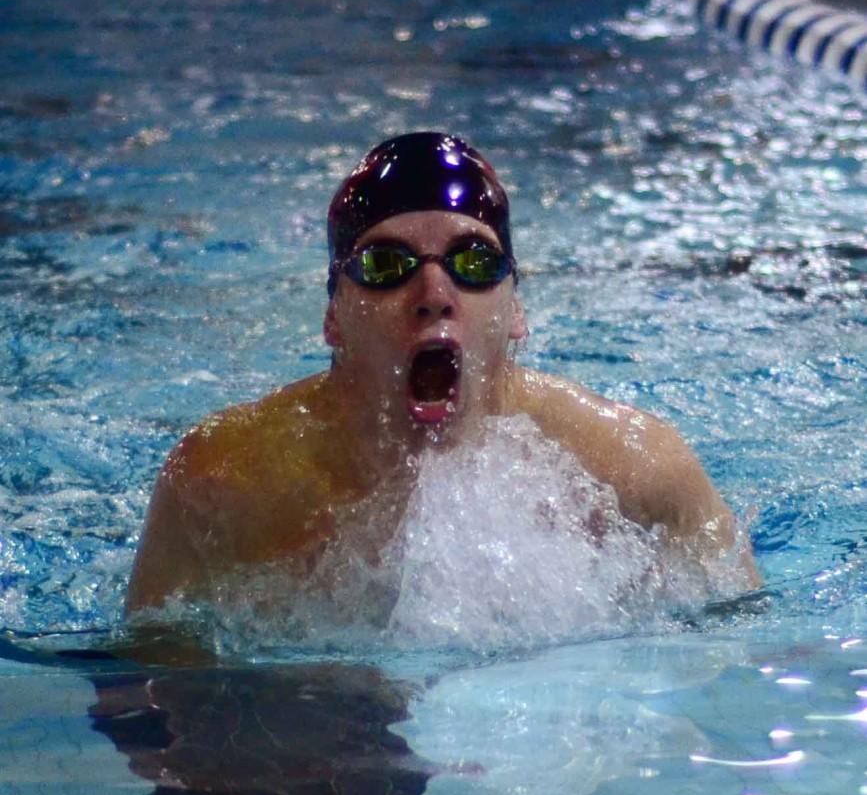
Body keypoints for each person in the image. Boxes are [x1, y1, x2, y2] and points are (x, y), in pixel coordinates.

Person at [126, 131, 760, 612]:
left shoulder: (638, 471)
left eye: (474, 262)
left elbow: (739, 656)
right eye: (384, 266)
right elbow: (148, 699)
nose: (433, 290)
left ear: (515, 308)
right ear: (333, 318)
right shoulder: (223, 484)